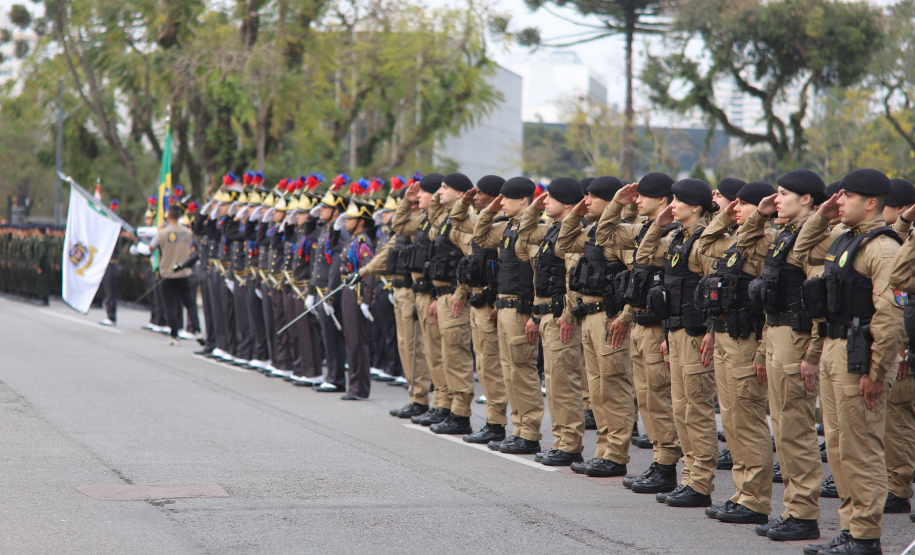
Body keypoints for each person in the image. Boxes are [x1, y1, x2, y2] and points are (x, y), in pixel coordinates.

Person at [793, 168, 905, 555]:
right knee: (839, 449)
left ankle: (865, 537)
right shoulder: (846, 239)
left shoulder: (883, 248)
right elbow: (799, 252)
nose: (837, 201)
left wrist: (877, 372)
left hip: (861, 356)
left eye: (846, 197)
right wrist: (822, 215)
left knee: (861, 449)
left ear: (870, 202)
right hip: (833, 349)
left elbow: (890, 315)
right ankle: (849, 529)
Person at [737, 170, 827, 541]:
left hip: (797, 334)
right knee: (783, 425)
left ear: (806, 199)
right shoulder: (785, 234)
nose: (777, 197)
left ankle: (803, 513)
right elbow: (745, 245)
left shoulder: (815, 237)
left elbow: (820, 298)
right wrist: (759, 214)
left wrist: (813, 352)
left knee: (795, 429)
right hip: (776, 333)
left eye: (785, 192)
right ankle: (793, 509)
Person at [696, 181, 776, 526]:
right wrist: (725, 216)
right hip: (726, 337)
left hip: (749, 339)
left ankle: (755, 499)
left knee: (748, 421)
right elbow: (704, 246)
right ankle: (742, 494)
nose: (735, 208)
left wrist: (762, 351)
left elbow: (773, 302)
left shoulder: (765, 241)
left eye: (744, 204)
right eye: (736, 203)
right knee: (730, 420)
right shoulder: (733, 241)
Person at [637, 178, 718, 508]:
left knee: (696, 410)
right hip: (677, 333)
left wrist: (712, 330)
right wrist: (658, 225)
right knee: (682, 410)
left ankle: (700, 484)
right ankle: (688, 479)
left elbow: (716, 289)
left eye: (677, 201)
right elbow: (643, 258)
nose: (671, 205)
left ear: (695, 206)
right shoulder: (678, 238)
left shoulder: (704, 241)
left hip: (698, 335)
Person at [520, 177, 588, 465]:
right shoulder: (552, 231)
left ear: (569, 205)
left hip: (562, 317)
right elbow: (523, 242)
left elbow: (573, 280)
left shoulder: (571, 235)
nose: (544, 200)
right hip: (548, 314)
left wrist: (569, 314)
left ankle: (570, 444)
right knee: (555, 381)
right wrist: (536, 315)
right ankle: (561, 440)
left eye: (550, 197)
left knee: (564, 382)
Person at [473, 177, 543, 455]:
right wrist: (490, 210)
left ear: (523, 200)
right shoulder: (507, 226)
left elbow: (540, 275)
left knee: (522, 372)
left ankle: (529, 432)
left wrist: (535, 315)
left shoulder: (534, 229)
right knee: (509, 372)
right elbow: (480, 236)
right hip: (503, 307)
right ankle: (518, 429)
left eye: (505, 199)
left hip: (520, 308)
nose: (500, 203)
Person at [449, 176, 510, 444]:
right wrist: (463, 203)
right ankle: (492, 421)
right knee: (483, 364)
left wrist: (498, 303)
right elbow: (457, 222)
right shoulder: (483, 224)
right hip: (477, 302)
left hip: (492, 304)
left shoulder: (501, 227)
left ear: (496, 198)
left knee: (492, 365)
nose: (475, 197)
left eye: (481, 194)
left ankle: (496, 424)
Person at [368, 181, 433, 419]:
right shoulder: (408, 225)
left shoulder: (419, 223)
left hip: (413, 290)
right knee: (406, 347)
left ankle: (421, 398)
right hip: (400, 290)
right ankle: (415, 396)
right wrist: (364, 272)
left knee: (416, 348)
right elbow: (388, 250)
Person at [423, 173, 477, 434]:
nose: (439, 192)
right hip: (443, 295)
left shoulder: (462, 224)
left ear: (460, 194)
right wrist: (437, 296)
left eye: (445, 188)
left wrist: (462, 291)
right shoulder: (445, 221)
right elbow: (433, 210)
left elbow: (471, 260)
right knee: (447, 356)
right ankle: (451, 409)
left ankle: (461, 414)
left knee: (456, 356)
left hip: (456, 298)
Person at [396, 174, 448, 425]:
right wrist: (406, 202)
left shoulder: (442, 221)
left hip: (435, 293)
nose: (417, 197)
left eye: (421, 193)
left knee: (438, 352)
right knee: (429, 350)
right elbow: (399, 226)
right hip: (421, 292)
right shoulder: (423, 220)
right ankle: (436, 402)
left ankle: (443, 404)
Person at [306, 181, 350, 393]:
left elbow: (336, 268)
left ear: (335, 212)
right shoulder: (324, 230)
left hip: (331, 291)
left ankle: (337, 379)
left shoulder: (340, 233)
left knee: (333, 337)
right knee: (326, 336)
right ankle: (331, 375)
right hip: (321, 289)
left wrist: (331, 296)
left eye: (324, 208)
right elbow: (317, 262)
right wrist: (311, 290)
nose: (319, 210)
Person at [338, 198, 377, 400]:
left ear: (361, 221)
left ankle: (359, 389)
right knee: (351, 340)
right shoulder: (352, 240)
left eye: (350, 218)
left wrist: (366, 301)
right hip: (348, 290)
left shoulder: (363, 241)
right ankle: (354, 386)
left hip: (357, 293)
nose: (345, 221)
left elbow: (368, 272)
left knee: (357, 341)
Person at [149, 205, 201, 345]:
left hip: (167, 273)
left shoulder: (162, 233)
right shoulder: (187, 233)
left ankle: (174, 335)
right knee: (190, 304)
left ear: (168, 216)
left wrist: (159, 230)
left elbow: (151, 247)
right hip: (184, 273)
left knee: (170, 305)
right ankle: (197, 330)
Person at [100, 199, 123, 326]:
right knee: (109, 292)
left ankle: (111, 316)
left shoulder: (114, 234)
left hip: (112, 264)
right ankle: (110, 314)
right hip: (110, 264)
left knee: (111, 293)